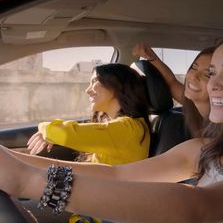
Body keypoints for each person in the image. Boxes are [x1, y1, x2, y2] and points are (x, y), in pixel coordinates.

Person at [0, 33, 223, 223]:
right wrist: (17, 163)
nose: (212, 84)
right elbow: (119, 175)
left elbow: (199, 208)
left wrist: (29, 181)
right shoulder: (204, 150)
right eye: (211, 72)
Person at [26, 63, 152, 223]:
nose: (88, 90)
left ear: (117, 85)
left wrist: (46, 130)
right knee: (25, 200)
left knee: (23, 206)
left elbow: (66, 133)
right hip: (91, 197)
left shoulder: (129, 129)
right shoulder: (122, 126)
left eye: (95, 82)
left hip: (101, 209)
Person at [133, 43, 215, 137]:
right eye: (194, 67)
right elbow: (171, 82)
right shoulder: (190, 104)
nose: (193, 76)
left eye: (207, 74)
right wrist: (152, 58)